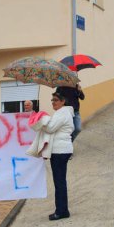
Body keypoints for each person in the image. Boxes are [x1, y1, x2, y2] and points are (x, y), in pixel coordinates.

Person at [41, 92, 74, 220]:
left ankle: (61, 211)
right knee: (60, 181)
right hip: (60, 150)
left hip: (60, 151)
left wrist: (42, 121)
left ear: (63, 101)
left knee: (59, 182)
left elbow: (50, 128)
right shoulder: (61, 113)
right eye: (52, 100)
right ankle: (62, 209)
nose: (53, 102)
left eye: (55, 100)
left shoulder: (63, 113)